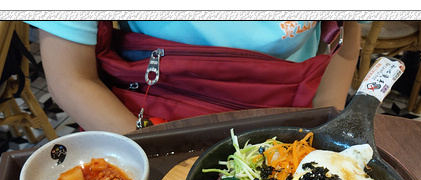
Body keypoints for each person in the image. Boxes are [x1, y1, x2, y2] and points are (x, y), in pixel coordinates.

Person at [28, 20, 364, 134]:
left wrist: (324, 135)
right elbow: (71, 78)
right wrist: (154, 153)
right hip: (150, 125)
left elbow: (344, 49)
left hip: (292, 117)